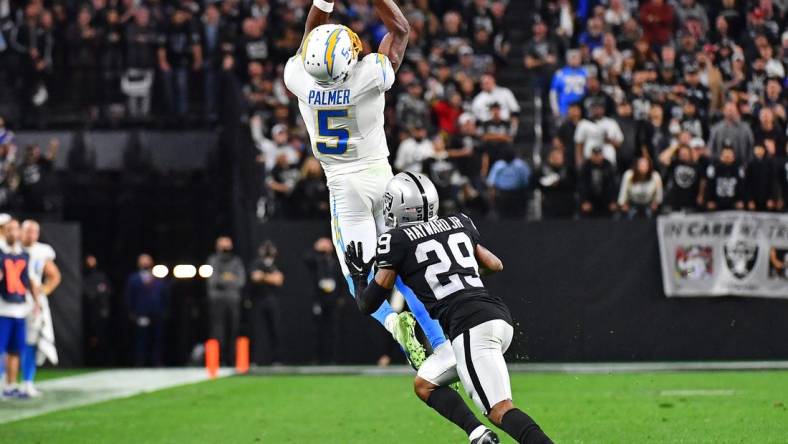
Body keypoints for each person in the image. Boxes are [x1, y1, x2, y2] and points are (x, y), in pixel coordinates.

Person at [282, 0, 447, 369]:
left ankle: (392, 323)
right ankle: (440, 341)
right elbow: (400, 29)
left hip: (344, 188)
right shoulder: (369, 73)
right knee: (406, 266)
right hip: (383, 180)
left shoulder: (301, 81)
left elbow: (308, 40)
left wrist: (321, 4)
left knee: (362, 279)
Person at [345, 172, 552, 444]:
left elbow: (368, 303)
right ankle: (478, 435)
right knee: (425, 383)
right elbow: (495, 264)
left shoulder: (395, 239)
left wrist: (359, 278)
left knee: (500, 410)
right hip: (495, 317)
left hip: (470, 327)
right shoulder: (459, 222)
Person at [20, 219, 60, 397]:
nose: (30, 235)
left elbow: (54, 276)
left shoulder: (42, 251)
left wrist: (43, 291)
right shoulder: (9, 248)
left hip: (32, 301)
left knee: (33, 341)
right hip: (10, 299)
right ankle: (6, 381)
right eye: (27, 231)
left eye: (34, 232)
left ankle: (28, 381)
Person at [0, 219, 38, 399]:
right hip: (2, 309)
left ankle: (11, 384)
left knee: (16, 349)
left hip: (19, 308)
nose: (13, 233)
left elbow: (28, 280)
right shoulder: (1, 253)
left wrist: (36, 302)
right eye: (9, 230)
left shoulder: (24, 255)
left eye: (15, 229)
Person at [304, 237, 345, 364]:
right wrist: (317, 248)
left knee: (333, 330)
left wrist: (340, 297)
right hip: (319, 299)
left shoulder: (336, 261)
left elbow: (342, 280)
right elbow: (306, 259)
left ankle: (333, 358)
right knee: (318, 330)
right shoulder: (316, 260)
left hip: (333, 299)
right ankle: (317, 358)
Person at [206, 236, 245, 365]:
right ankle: (219, 359)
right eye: (222, 245)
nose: (225, 248)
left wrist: (225, 280)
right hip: (217, 300)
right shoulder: (212, 260)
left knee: (234, 329)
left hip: (233, 300)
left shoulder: (236, 261)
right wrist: (229, 279)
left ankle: (233, 359)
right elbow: (213, 280)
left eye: (227, 245)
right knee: (218, 330)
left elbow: (240, 281)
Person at [125, 253, 168, 367]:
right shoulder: (133, 278)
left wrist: (164, 310)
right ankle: (140, 361)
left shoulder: (158, 277)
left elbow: (164, 294)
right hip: (141, 312)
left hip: (156, 312)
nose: (145, 263)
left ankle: (157, 361)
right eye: (142, 260)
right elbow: (130, 296)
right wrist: (132, 312)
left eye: (147, 260)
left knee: (157, 339)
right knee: (141, 338)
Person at [248, 241, 284, 365]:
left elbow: (278, 280)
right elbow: (255, 277)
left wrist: (263, 276)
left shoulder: (277, 264)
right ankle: (256, 359)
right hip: (258, 300)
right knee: (258, 331)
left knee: (275, 329)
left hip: (273, 300)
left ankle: (276, 359)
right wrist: (270, 277)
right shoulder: (256, 263)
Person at [82, 254, 112, 366]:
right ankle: (91, 361)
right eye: (88, 261)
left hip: (101, 312)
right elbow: (87, 292)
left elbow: (107, 290)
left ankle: (103, 361)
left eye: (92, 261)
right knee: (91, 338)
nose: (90, 263)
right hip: (89, 313)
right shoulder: (84, 277)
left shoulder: (101, 276)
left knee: (102, 337)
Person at [487, 149, 531, 219]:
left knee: (518, 218)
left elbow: (527, 180)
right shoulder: (499, 165)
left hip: (518, 194)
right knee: (503, 217)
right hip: (502, 195)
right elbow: (491, 182)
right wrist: (492, 196)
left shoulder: (520, 165)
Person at [578, 146, 618, 218]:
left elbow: (613, 184)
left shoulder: (608, 165)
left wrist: (613, 200)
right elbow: (582, 185)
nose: (597, 157)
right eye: (595, 155)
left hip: (606, 200)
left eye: (599, 154)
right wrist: (584, 201)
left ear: (602, 155)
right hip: (590, 199)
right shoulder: (586, 166)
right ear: (591, 155)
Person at [537, 147, 576, 219]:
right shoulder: (544, 169)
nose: (557, 158)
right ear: (550, 158)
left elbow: (574, 183)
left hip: (566, 205)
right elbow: (537, 182)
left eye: (559, 156)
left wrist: (560, 183)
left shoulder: (569, 169)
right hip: (550, 204)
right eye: (554, 157)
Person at [705, 146, 745, 211]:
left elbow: (742, 186)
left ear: (733, 157)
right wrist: (710, 200)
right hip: (717, 203)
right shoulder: (714, 168)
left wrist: (740, 200)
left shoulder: (738, 169)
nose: (727, 157)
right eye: (725, 155)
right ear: (721, 157)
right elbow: (710, 186)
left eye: (729, 155)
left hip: (734, 203)